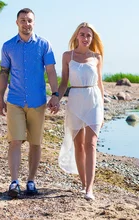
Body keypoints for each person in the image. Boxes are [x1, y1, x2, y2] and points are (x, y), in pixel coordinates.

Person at [0, 8, 60, 198]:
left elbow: (50, 71)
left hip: (37, 101)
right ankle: (14, 182)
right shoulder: (8, 46)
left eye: (29, 20)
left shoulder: (44, 45)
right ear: (17, 23)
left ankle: (31, 181)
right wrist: (0, 97)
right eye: (23, 20)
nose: (26, 24)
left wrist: (56, 94)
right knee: (15, 141)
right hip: (15, 100)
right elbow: (3, 73)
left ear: (34, 22)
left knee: (35, 142)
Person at [54, 22, 104, 201]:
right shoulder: (68, 56)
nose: (85, 38)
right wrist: (55, 98)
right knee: (79, 145)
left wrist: (103, 108)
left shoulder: (96, 57)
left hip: (93, 100)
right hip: (75, 99)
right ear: (77, 36)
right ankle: (83, 183)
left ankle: (89, 188)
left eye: (88, 35)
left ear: (92, 38)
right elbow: (63, 83)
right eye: (82, 34)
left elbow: (100, 84)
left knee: (91, 144)